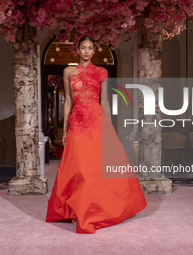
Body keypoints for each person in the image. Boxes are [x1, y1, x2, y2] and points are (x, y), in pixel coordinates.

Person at [45, 36, 147, 234]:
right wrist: (64, 129)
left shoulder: (102, 71)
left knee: (95, 167)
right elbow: (67, 102)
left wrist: (109, 125)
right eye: (83, 47)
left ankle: (95, 209)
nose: (86, 51)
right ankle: (77, 209)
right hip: (77, 121)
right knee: (79, 167)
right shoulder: (68, 71)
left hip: (98, 120)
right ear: (78, 50)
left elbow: (106, 101)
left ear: (94, 51)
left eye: (90, 48)